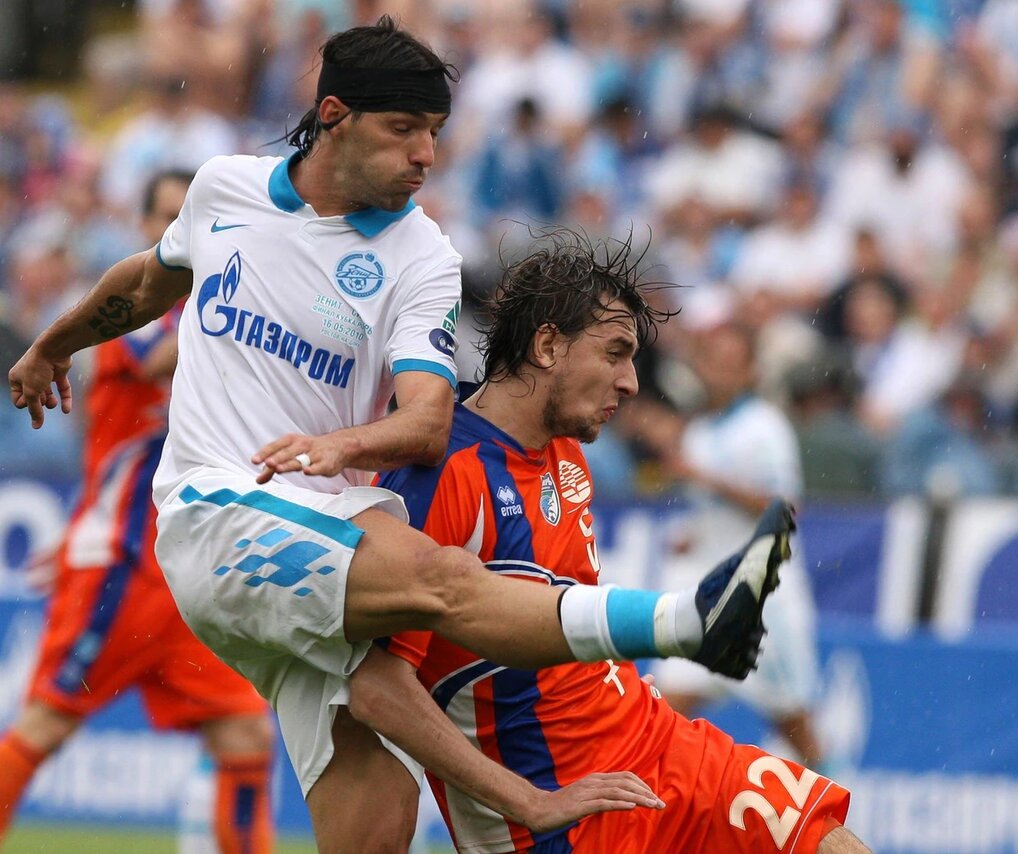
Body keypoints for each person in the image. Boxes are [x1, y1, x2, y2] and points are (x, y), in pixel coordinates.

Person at [7, 18, 791, 851]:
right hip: (218, 512)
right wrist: (53, 345)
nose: (426, 154)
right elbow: (145, 282)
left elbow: (427, 419)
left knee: (379, 822)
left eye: (436, 133)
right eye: (405, 129)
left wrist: (340, 448)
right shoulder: (224, 190)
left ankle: (598, 719)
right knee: (443, 578)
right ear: (335, 116)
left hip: (323, 536)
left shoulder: (422, 258)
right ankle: (686, 623)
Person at [379, 229, 868, 853]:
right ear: (548, 346)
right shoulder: (440, 473)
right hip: (571, 812)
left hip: (658, 743)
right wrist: (526, 802)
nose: (632, 382)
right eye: (615, 353)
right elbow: (378, 685)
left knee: (827, 839)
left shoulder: (567, 456)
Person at [0, 171, 276, 853]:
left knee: (246, 735)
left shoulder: (221, 321)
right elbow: (158, 364)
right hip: (120, 568)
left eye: (189, 215)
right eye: (165, 217)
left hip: (188, 576)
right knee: (46, 725)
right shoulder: (129, 315)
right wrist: (244, 280)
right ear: (145, 228)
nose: (178, 229)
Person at [637, 317, 824, 771]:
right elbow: (713, 513)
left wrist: (706, 478)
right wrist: (692, 537)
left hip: (765, 597)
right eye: (711, 361)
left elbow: (785, 508)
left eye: (729, 363)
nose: (717, 372)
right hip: (709, 593)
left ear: (749, 371)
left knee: (796, 726)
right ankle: (646, 808)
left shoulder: (764, 427)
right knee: (664, 709)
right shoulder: (700, 430)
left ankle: (840, 802)